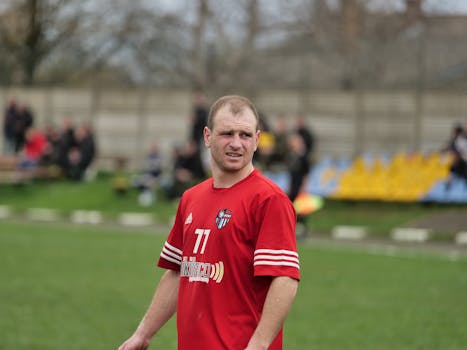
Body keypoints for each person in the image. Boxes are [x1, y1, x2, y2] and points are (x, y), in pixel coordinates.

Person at [119, 95, 300, 350]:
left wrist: (258, 346)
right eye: (227, 133)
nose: (236, 144)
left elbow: (285, 279)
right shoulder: (191, 198)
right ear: (207, 136)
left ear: (257, 140)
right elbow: (177, 272)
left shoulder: (270, 200)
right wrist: (143, 334)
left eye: (245, 135)